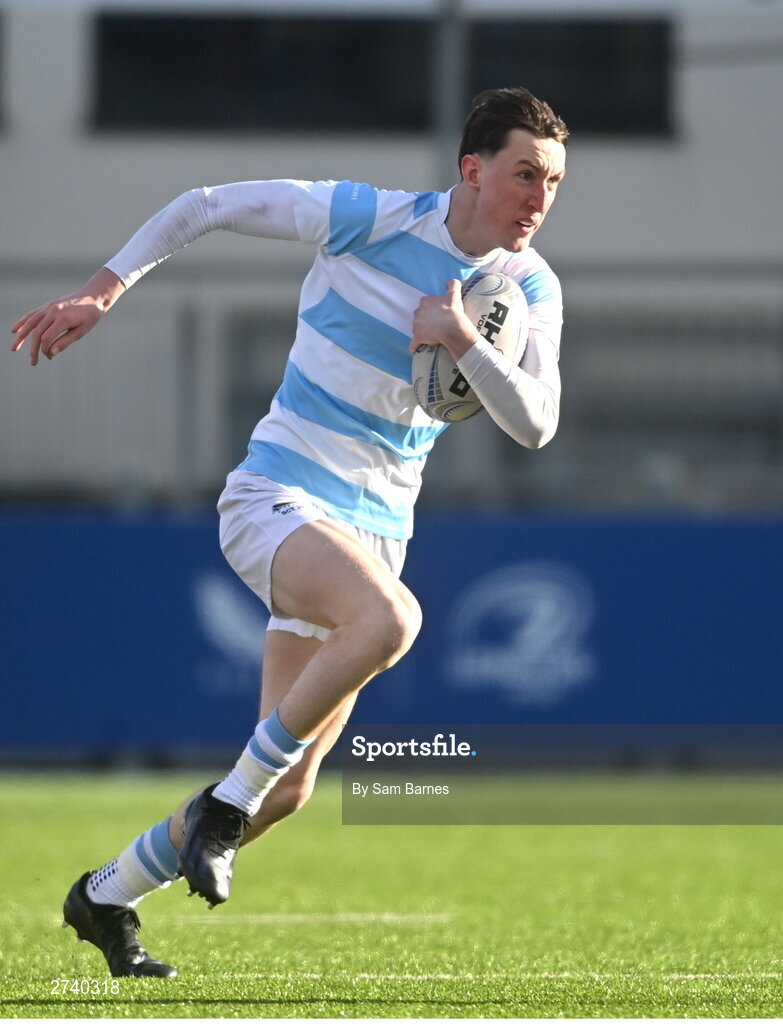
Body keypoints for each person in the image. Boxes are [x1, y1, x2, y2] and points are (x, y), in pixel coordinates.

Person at [11, 86, 568, 978]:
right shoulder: (370, 219)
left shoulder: (530, 287)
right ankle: (224, 806)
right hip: (279, 494)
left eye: (552, 182)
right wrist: (103, 291)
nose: (539, 197)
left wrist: (462, 339)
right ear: (472, 169)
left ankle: (106, 895)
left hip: (376, 530)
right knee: (389, 622)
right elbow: (205, 205)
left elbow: (535, 425)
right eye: (525, 174)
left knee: (290, 788)